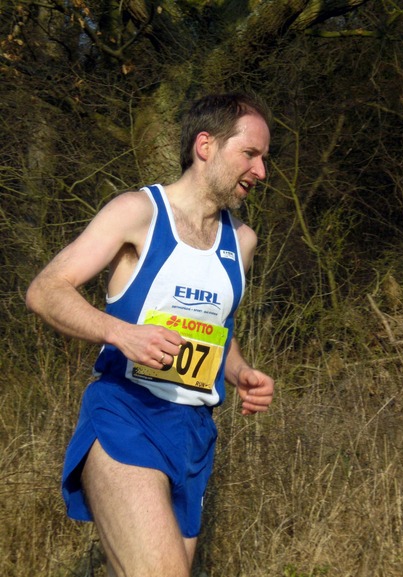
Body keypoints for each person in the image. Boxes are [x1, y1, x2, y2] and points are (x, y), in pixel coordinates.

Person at [26, 92, 275, 577]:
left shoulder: (242, 242)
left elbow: (218, 331)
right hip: (126, 415)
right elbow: (46, 290)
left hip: (194, 435)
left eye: (264, 158)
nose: (261, 171)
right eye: (250, 153)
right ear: (205, 145)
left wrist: (241, 371)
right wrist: (122, 333)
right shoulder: (138, 212)